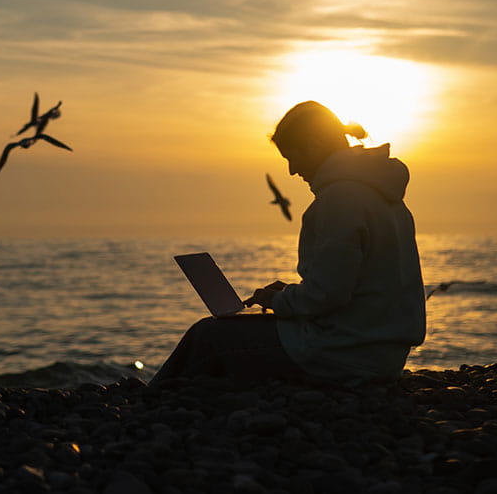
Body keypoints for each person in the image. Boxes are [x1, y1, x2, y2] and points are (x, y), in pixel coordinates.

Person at [150, 100, 426, 386]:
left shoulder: (341, 199)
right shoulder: (385, 196)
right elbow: (356, 286)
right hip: (382, 354)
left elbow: (328, 295)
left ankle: (146, 408)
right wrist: (292, 295)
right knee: (225, 339)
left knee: (208, 336)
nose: (293, 171)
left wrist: (279, 301)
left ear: (316, 143)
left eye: (292, 157)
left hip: (343, 355)